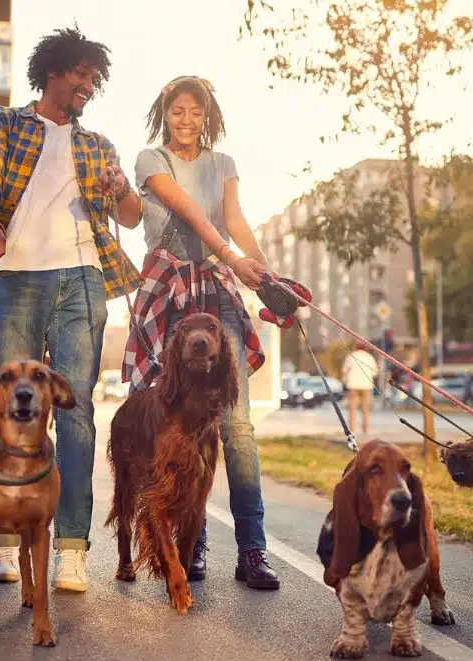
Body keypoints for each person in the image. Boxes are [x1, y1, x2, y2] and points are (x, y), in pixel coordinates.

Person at [0, 27, 142, 593]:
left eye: (94, 77)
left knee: (76, 410)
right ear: (53, 72)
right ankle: (7, 543)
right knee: (11, 407)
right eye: (80, 74)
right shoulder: (3, 122)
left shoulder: (99, 145)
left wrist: (121, 190)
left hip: (84, 279)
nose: (87, 85)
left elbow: (133, 216)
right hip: (17, 276)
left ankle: (71, 548)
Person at [122, 75, 280, 590]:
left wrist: (270, 281)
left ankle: (253, 550)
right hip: (166, 292)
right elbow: (189, 213)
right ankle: (192, 541)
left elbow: (233, 220)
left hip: (215, 292)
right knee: (171, 421)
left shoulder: (223, 164)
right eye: (177, 111)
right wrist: (234, 257)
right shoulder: (151, 161)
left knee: (234, 427)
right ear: (164, 114)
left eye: (196, 111)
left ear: (208, 115)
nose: (186, 120)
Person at [341, 341, 380, 438]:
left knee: (352, 409)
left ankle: (352, 430)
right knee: (365, 409)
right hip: (367, 385)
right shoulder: (370, 357)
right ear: (365, 348)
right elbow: (375, 372)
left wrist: (344, 381)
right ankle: (365, 429)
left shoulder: (351, 356)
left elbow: (344, 370)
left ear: (355, 347)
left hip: (353, 385)